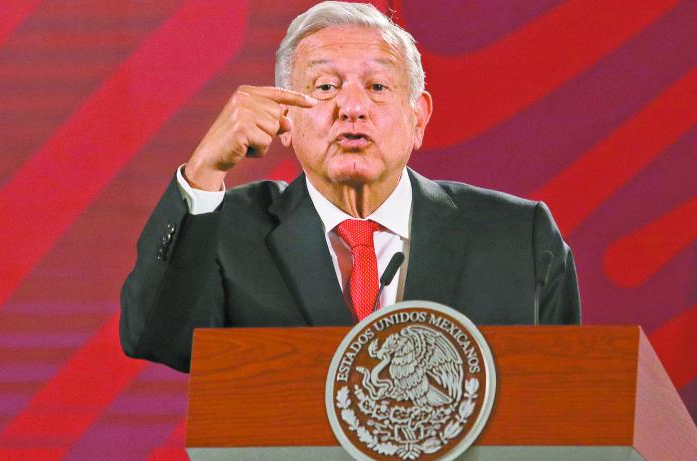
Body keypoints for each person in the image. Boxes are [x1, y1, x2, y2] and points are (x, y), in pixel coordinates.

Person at [120, 1, 581, 373]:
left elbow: (570, 396)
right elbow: (155, 337)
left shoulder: (519, 236)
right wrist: (202, 173)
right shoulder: (225, 230)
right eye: (325, 87)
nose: (352, 107)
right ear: (285, 120)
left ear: (418, 117)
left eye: (378, 86)